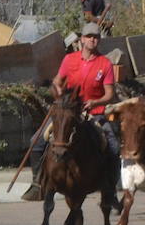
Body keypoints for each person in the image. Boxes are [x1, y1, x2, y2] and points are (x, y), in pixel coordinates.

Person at [22, 21, 118, 201]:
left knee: (113, 146)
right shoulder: (69, 59)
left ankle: (110, 189)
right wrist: (58, 92)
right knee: (35, 141)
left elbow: (110, 94)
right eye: (89, 36)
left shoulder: (105, 64)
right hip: (67, 112)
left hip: (93, 113)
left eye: (96, 37)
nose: (92, 40)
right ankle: (37, 184)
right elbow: (57, 81)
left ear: (99, 40)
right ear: (82, 39)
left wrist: (95, 102)